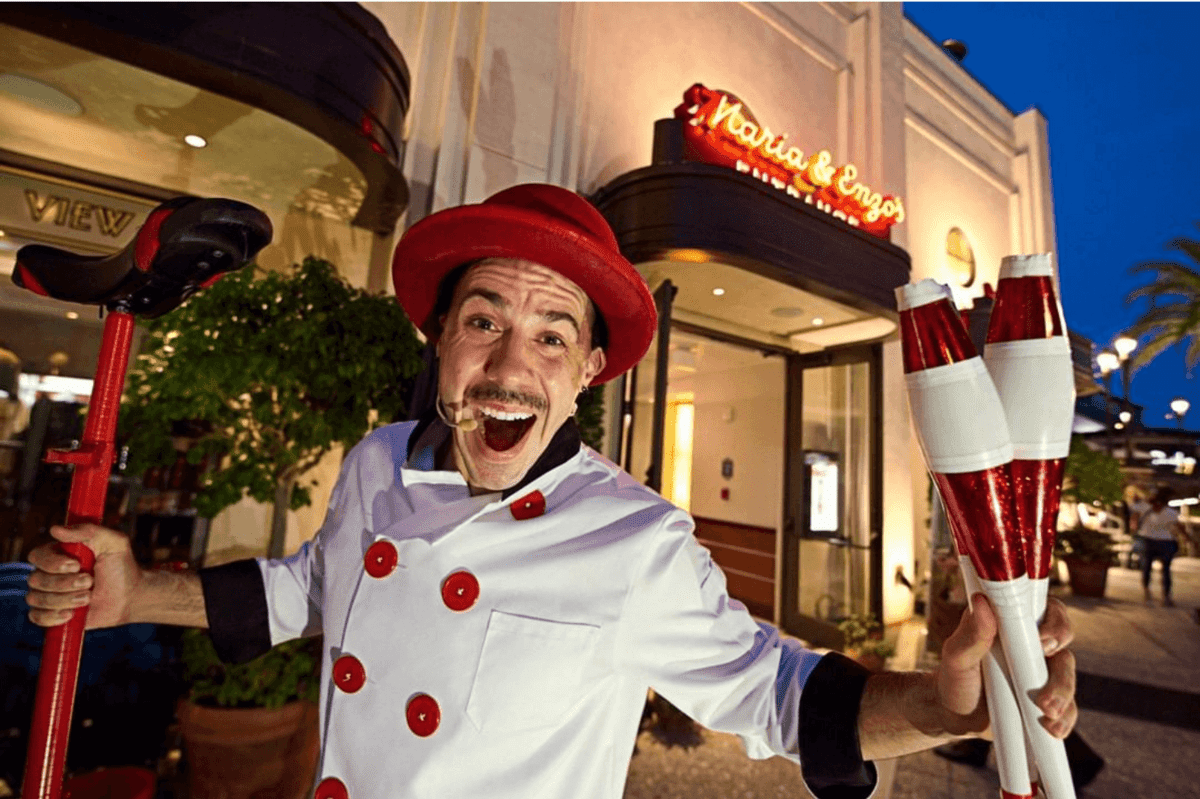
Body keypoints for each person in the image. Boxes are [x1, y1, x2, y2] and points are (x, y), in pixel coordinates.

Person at [25, 184, 1078, 799]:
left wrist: (942, 707)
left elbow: (781, 694)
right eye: (483, 319)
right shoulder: (378, 461)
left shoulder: (639, 540)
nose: (507, 364)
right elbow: (312, 588)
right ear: (439, 341)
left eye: (550, 335)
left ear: (585, 373)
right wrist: (137, 592)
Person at [1130, 487, 1184, 606]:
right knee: (1154, 568)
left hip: (1158, 541)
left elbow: (1179, 527)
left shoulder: (1165, 512)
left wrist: (1133, 528)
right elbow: (1180, 527)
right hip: (1158, 541)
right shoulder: (1168, 512)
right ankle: (1157, 594)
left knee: (1157, 568)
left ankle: (1159, 594)